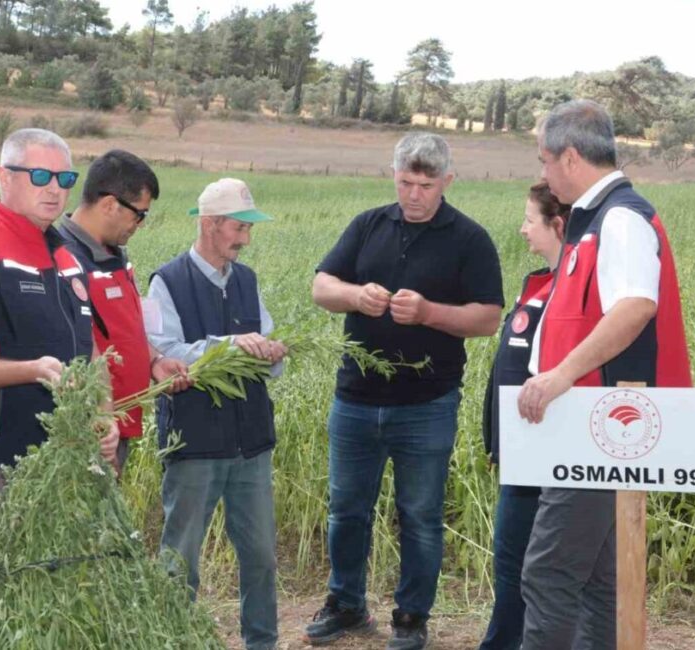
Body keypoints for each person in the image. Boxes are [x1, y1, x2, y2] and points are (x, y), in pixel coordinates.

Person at [307, 132, 503, 650]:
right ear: (392, 176)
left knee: (419, 517)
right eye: (405, 183)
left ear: (447, 182)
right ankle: (345, 604)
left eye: (426, 184)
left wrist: (428, 313)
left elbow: (487, 319)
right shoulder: (368, 225)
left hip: (427, 406)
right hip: (354, 399)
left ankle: (411, 618)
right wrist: (356, 295)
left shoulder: (469, 239)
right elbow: (321, 287)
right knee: (347, 509)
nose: (414, 195)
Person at [516, 100, 692, 649]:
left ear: (571, 157)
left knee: (548, 574)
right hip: (594, 425)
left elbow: (636, 305)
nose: (541, 174)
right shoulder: (595, 219)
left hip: (602, 428)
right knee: (597, 579)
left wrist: (559, 375)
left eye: (545, 161)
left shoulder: (620, 217)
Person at [0, 128, 118, 590]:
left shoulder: (67, 257)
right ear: (3, 177)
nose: (54, 188)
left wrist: (104, 418)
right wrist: (28, 371)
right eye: (39, 175)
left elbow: (89, 351)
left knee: (47, 599)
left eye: (65, 177)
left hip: (59, 459)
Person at [147, 178, 285, 650]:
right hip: (194, 445)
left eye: (248, 229)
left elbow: (266, 351)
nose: (245, 239)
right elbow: (165, 355)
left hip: (251, 444)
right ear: (209, 224)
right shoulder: (167, 281)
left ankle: (261, 642)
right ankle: (173, 638)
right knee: (180, 555)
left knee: (262, 556)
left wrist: (272, 352)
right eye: (238, 228)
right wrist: (227, 346)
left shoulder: (247, 281)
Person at [55, 150, 190, 473]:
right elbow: (78, 348)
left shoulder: (115, 255)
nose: (140, 224)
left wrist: (154, 361)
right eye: (139, 214)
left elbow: (126, 326)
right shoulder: (62, 258)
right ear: (110, 205)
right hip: (86, 432)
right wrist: (97, 422)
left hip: (118, 424)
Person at [477, 182, 569, 650]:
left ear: (558, 225)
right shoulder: (539, 283)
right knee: (512, 563)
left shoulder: (572, 294)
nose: (522, 228)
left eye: (530, 220)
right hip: (520, 452)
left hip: (546, 454)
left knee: (525, 567)